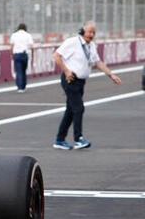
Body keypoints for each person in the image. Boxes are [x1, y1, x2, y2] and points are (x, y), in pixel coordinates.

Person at [52, 21, 121, 150]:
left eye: (94, 32)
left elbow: (98, 62)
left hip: (80, 82)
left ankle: (59, 140)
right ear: (82, 31)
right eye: (89, 32)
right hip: (70, 79)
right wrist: (66, 71)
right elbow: (56, 55)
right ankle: (79, 138)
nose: (92, 35)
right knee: (79, 108)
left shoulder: (91, 46)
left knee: (70, 111)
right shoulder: (72, 42)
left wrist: (111, 75)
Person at [10, 22, 34, 93]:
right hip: (24, 54)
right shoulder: (28, 35)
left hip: (16, 54)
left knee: (18, 71)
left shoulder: (14, 35)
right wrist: (32, 55)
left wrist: (11, 55)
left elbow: (11, 46)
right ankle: (23, 86)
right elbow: (31, 46)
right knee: (23, 71)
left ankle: (19, 87)